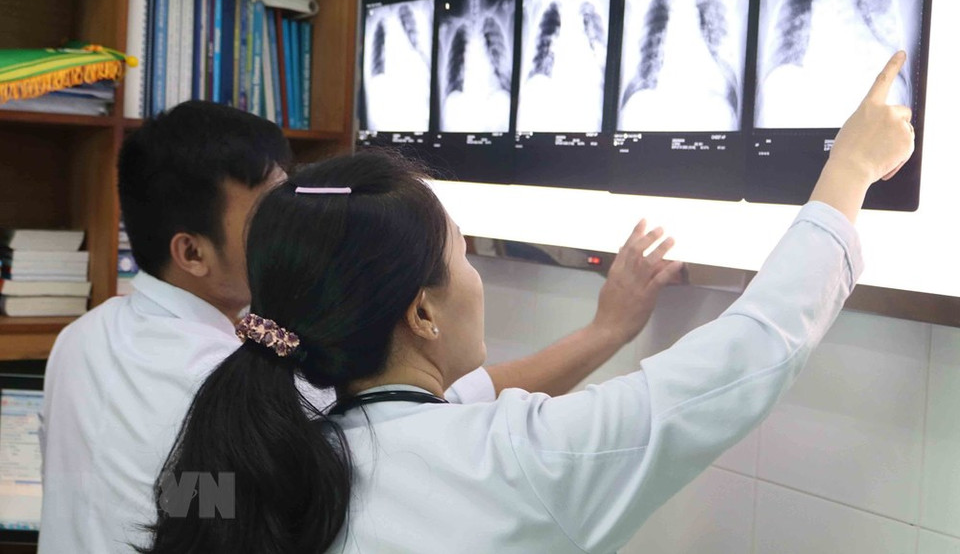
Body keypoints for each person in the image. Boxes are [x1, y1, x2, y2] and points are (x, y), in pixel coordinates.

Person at [141, 51, 914, 554]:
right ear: (422, 312)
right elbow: (746, 356)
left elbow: (445, 412)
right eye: (463, 257)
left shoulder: (277, 454)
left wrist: (607, 329)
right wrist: (848, 169)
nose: (475, 277)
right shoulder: (517, 461)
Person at [38, 101, 675, 553]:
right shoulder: (243, 379)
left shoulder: (81, 339)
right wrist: (606, 332)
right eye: (269, 216)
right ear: (192, 252)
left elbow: (160, 493)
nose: (295, 227)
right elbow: (441, 400)